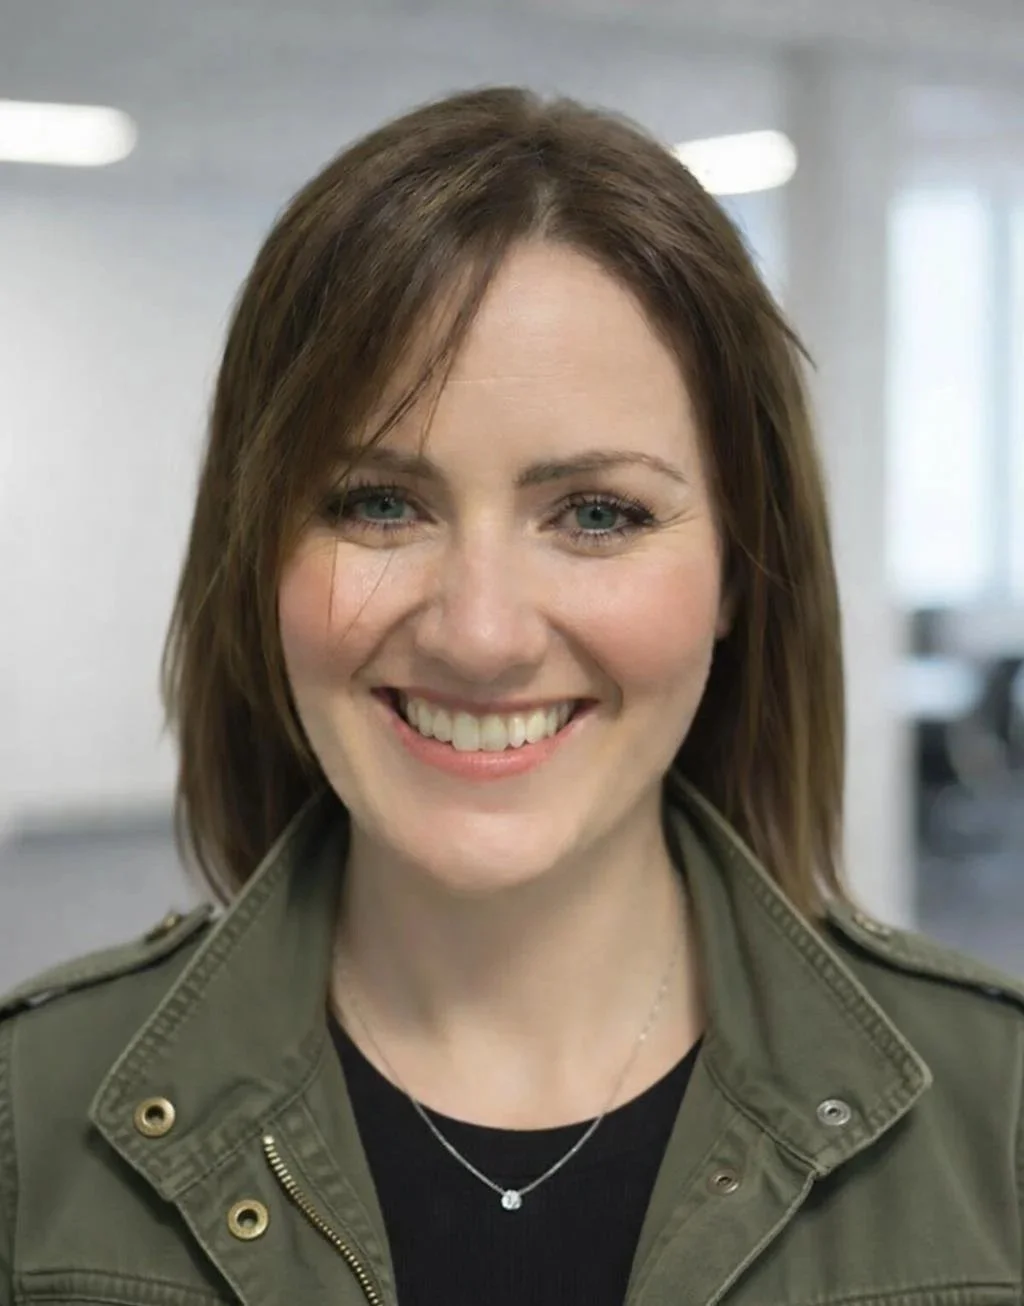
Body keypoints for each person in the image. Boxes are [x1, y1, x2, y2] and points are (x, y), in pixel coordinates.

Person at [1, 86, 1022, 1306]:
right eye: (379, 503)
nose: (480, 635)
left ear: (739, 573)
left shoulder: (998, 1119)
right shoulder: (29, 1124)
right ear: (256, 551)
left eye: (596, 514)